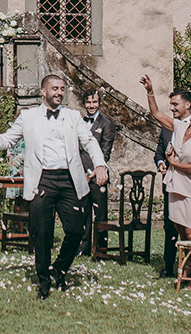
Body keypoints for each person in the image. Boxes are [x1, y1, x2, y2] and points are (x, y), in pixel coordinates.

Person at [0, 74, 107, 299]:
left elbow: (89, 142)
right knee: (42, 233)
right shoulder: (28, 117)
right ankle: (44, 281)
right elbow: (8, 139)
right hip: (42, 180)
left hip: (69, 180)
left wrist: (100, 164)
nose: (59, 92)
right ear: (43, 91)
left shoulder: (73, 116)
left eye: (62, 88)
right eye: (55, 88)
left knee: (76, 230)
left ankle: (59, 268)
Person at [143, 77, 191, 287]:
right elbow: (156, 114)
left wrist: (172, 162)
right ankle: (184, 273)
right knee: (180, 231)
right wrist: (150, 91)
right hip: (174, 184)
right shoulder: (180, 127)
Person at [153, 88, 191, 278]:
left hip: (189, 183)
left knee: (188, 227)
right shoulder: (168, 128)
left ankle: (190, 269)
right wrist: (162, 163)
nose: (172, 108)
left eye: (175, 104)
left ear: (188, 105)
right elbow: (159, 152)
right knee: (170, 226)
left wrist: (173, 163)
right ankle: (169, 266)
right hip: (170, 182)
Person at [78, 89, 115, 257]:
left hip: (98, 175)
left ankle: (101, 248)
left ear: (99, 103)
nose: (91, 106)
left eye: (94, 102)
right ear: (84, 103)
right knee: (83, 211)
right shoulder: (79, 122)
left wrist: (94, 171)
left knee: (100, 213)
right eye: (88, 102)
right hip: (81, 175)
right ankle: (83, 248)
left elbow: (105, 152)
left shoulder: (106, 124)